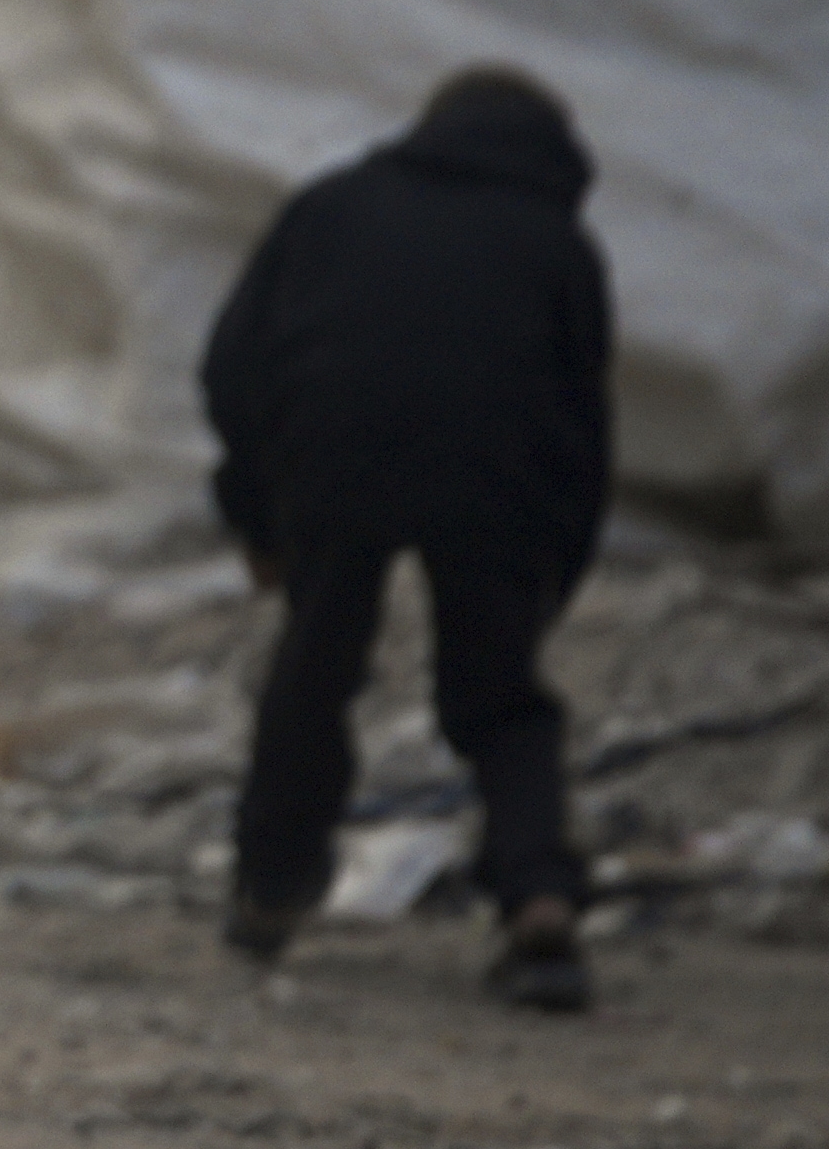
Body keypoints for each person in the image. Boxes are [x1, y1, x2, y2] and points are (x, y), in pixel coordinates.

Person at [202, 66, 617, 1013]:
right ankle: (540, 901)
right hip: (497, 473)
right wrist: (557, 564)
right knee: (502, 699)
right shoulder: (557, 245)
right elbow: (585, 423)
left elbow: (232, 368)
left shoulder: (331, 209)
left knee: (315, 668)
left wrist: (257, 515)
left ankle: (272, 887)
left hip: (336, 460)